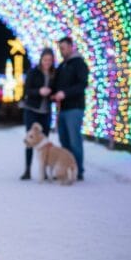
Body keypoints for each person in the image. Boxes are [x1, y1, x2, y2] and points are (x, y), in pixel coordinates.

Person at [52, 37, 89, 181]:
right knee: (64, 140)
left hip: (74, 108)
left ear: (71, 47)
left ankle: (78, 170)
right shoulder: (62, 65)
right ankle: (68, 167)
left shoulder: (79, 64)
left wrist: (65, 93)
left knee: (74, 141)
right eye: (60, 48)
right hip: (62, 109)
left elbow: (82, 84)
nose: (62, 51)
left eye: (64, 48)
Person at [19, 48, 56, 180]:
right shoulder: (33, 72)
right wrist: (39, 91)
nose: (47, 62)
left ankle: (44, 171)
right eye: (45, 59)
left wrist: (52, 94)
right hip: (32, 110)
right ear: (41, 59)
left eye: (50, 60)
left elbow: (56, 89)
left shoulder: (54, 74)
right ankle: (27, 170)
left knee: (45, 142)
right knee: (30, 139)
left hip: (46, 112)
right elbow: (27, 90)